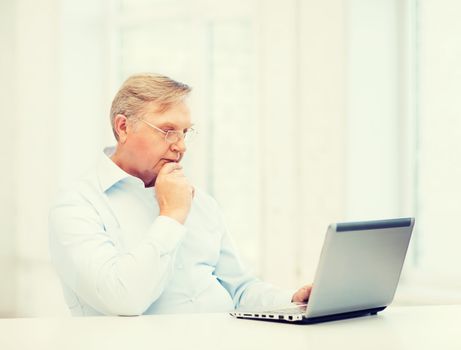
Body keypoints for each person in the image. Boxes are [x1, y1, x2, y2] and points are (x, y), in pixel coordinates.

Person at [49, 73, 312, 316]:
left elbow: (240, 289)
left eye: (185, 132)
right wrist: (172, 216)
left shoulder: (201, 202)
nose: (181, 146)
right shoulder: (77, 206)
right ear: (123, 127)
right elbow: (122, 299)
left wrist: (293, 299)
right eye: (168, 131)